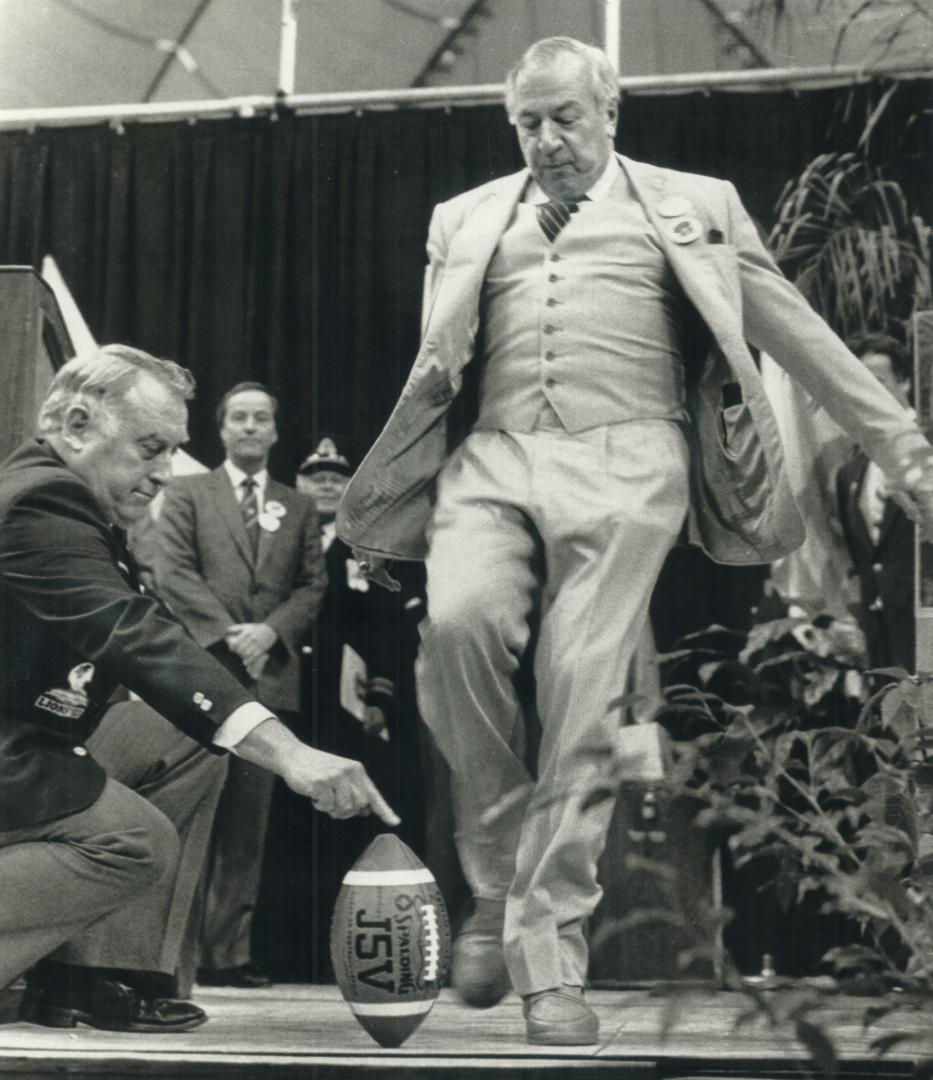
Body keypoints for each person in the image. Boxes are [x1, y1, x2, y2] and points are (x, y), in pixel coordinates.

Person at [336, 37, 933, 1045]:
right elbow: (439, 366)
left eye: (565, 116)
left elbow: (798, 333)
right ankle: (495, 879)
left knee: (580, 694)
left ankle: (549, 964)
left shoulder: (695, 203)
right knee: (456, 635)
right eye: (527, 122)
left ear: (610, 109)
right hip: (491, 455)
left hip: (630, 462)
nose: (546, 139)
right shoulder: (464, 217)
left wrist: (905, 446)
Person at [0, 346, 396, 1033]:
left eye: (174, 451)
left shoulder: (73, 501)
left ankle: (88, 976)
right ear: (74, 423)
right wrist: (289, 754)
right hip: (14, 748)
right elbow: (133, 633)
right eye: (150, 447)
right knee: (135, 842)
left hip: (31, 737)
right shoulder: (41, 500)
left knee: (184, 737)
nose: (162, 472)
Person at [154, 382, 324, 990]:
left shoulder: (298, 506)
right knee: (190, 811)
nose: (250, 428)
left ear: (275, 431)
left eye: (262, 418)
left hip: (268, 680)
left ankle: (227, 955)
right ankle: (172, 953)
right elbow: (171, 570)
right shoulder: (185, 493)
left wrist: (268, 634)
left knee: (248, 826)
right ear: (220, 429)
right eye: (239, 418)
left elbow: (312, 586)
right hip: (200, 673)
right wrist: (230, 634)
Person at [836, 333, 916, 671]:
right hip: (881, 638)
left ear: (906, 382)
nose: (868, 391)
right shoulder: (849, 472)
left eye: (879, 381)